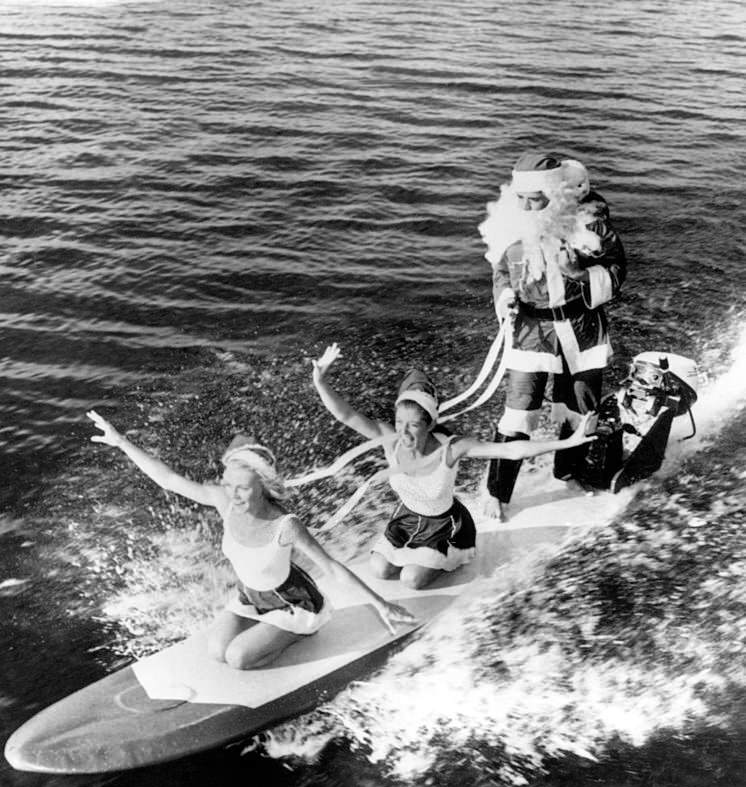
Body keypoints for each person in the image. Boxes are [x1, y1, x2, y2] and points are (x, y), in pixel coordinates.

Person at [86, 410, 415, 670]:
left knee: (238, 659)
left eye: (242, 487)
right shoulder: (223, 501)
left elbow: (332, 568)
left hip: (291, 602)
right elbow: (169, 479)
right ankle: (265, 634)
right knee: (217, 652)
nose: (234, 494)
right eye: (229, 485)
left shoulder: (285, 525)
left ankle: (300, 633)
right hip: (251, 597)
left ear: (264, 485)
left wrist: (381, 604)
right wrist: (122, 442)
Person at [310, 344, 596, 590]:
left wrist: (568, 442)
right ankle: (415, 555)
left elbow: (510, 449)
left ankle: (455, 556)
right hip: (406, 520)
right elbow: (346, 415)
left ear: (430, 423)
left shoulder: (451, 448)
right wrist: (321, 382)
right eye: (399, 424)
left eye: (413, 425)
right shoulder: (390, 440)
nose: (404, 433)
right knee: (380, 570)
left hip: (444, 527)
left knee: (411, 579)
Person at [478, 150, 627, 520]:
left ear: (555, 195)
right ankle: (497, 492)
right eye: (522, 198)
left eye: (536, 199)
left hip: (581, 328)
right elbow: (500, 272)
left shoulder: (591, 227)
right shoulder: (508, 226)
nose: (527, 207)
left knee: (579, 406)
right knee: (518, 412)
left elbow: (618, 270)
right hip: (532, 330)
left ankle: (569, 472)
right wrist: (505, 296)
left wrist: (579, 273)